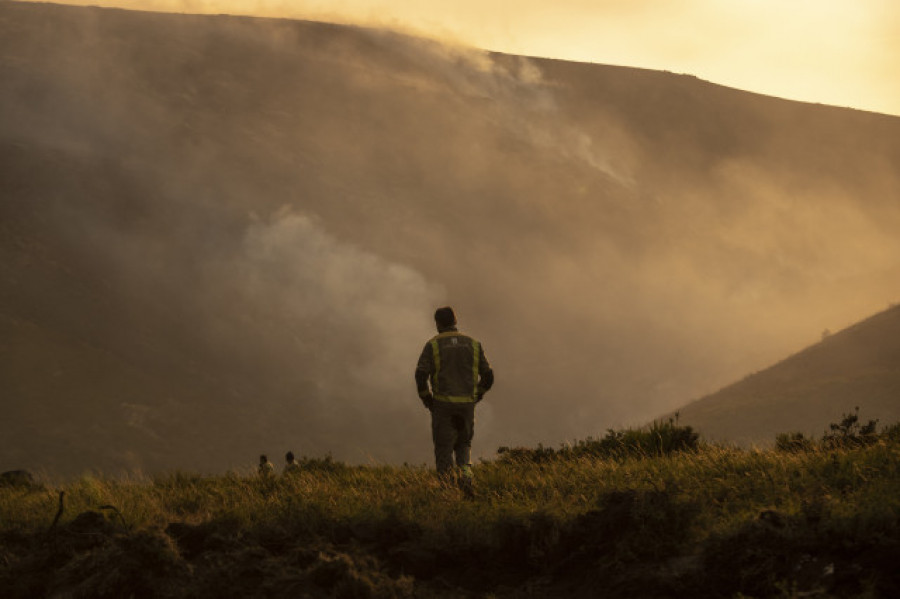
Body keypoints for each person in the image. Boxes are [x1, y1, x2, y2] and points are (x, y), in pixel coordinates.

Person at [415, 306, 494, 494]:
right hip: (467, 405)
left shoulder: (433, 345)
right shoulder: (473, 344)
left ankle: (448, 492)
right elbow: (489, 376)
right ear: (455, 321)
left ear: (438, 323)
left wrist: (428, 400)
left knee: (444, 450)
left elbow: (420, 375)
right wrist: (477, 395)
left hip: (443, 406)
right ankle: (467, 482)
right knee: (464, 445)